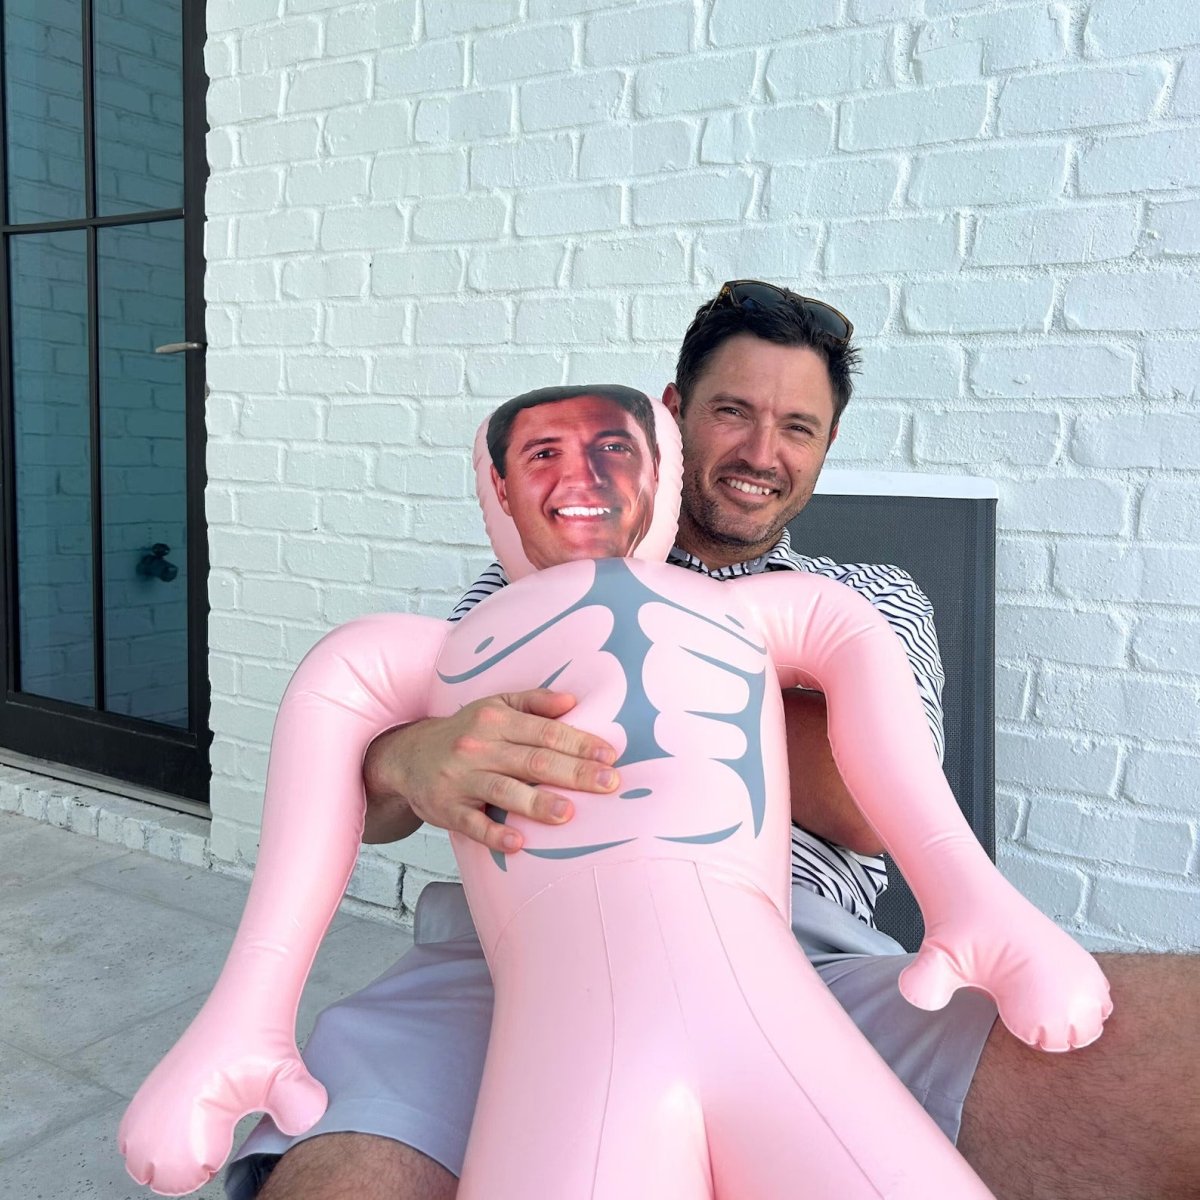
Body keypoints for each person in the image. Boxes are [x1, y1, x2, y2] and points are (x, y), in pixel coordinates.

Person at [229, 282, 1198, 1200]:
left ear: (825, 446)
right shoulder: (518, 589)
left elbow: (863, 810)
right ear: (673, 417)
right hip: (502, 957)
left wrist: (658, 663)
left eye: (798, 427)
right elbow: (381, 812)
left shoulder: (866, 597)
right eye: (733, 412)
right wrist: (404, 757)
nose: (761, 452)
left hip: (814, 957)